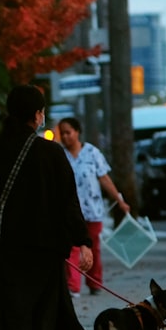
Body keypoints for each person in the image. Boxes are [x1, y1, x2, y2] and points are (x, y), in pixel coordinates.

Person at [0, 85, 95, 330]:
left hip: (9, 244)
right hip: (46, 245)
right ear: (37, 114)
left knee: (15, 303)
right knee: (46, 307)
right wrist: (83, 242)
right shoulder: (51, 152)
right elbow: (69, 201)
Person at [58, 117, 130, 297]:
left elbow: (104, 178)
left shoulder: (92, 153)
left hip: (92, 211)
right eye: (63, 133)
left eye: (69, 132)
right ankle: (73, 285)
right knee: (72, 249)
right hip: (70, 213)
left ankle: (94, 281)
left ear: (77, 132)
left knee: (93, 248)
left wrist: (119, 200)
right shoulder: (60, 155)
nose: (66, 137)